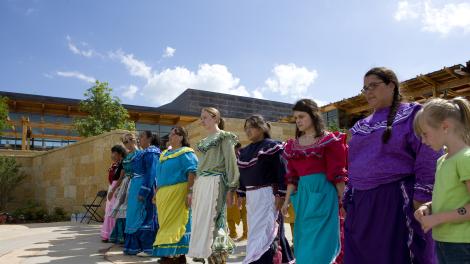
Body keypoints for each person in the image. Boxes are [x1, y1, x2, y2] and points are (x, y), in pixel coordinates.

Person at [343, 67, 441, 264]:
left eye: (373, 86)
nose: (368, 92)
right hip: (361, 203)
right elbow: (352, 163)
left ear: (391, 85)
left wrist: (422, 195)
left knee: (393, 256)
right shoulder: (360, 126)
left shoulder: (413, 113)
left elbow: (428, 153)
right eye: (365, 88)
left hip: (395, 200)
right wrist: (349, 195)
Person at [281, 99, 347, 264]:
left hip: (324, 195)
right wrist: (286, 200)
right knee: (303, 243)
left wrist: (345, 200)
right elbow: (292, 177)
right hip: (303, 197)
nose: (298, 121)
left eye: (302, 116)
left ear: (313, 115)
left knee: (323, 246)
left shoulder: (329, 140)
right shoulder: (293, 146)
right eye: (296, 118)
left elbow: (338, 173)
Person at [413, 97, 470, 264]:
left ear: (445, 127)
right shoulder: (442, 160)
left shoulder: (465, 159)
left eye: (425, 134)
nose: (423, 141)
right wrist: (428, 207)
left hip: (463, 244)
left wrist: (437, 218)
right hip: (444, 242)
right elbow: (448, 197)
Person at [237, 115, 295, 264]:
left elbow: (282, 171)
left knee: (270, 232)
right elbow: (242, 175)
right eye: (246, 128)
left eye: (251, 127)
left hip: (268, 195)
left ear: (262, 128)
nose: (248, 131)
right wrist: (241, 193)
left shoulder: (272, 146)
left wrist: (281, 195)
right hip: (252, 199)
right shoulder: (244, 151)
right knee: (255, 233)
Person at [188, 107, 239, 264]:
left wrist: (232, 187)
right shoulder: (203, 142)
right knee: (201, 220)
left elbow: (231, 162)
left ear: (216, 118)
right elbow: (200, 166)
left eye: (205, 117)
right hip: (202, 182)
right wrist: (193, 188)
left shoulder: (224, 137)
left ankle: (218, 257)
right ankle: (205, 253)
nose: (202, 121)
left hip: (217, 180)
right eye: (201, 118)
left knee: (217, 220)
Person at [153, 126, 198, 264]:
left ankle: (176, 256)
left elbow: (193, 172)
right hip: (163, 195)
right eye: (170, 134)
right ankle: (168, 254)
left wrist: (190, 192)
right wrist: (156, 192)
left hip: (178, 193)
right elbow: (159, 175)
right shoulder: (165, 153)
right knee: (165, 225)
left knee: (177, 224)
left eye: (174, 134)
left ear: (181, 137)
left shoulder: (186, 153)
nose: (170, 136)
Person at [124, 131, 161, 257]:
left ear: (150, 138)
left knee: (146, 215)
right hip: (136, 185)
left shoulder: (152, 152)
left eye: (142, 137)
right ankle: (135, 246)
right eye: (138, 137)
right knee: (133, 215)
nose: (139, 139)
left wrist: (144, 191)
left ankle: (148, 247)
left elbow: (151, 172)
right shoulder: (143, 152)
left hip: (146, 187)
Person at [101, 145, 126, 242]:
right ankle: (108, 234)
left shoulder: (123, 163)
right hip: (113, 187)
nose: (112, 155)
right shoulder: (116, 164)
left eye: (114, 153)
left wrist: (113, 190)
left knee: (112, 212)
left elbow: (120, 178)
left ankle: (112, 234)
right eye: (112, 153)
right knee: (109, 211)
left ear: (120, 154)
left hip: (117, 188)